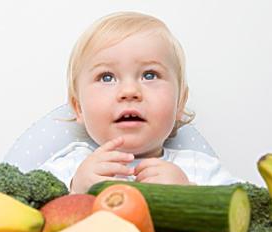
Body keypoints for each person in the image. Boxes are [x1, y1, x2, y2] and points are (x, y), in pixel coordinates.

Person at [40, 11, 240, 193]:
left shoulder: (199, 169)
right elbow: (24, 217)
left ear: (179, 103)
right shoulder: (68, 168)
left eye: (150, 75)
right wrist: (75, 190)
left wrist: (190, 193)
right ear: (78, 108)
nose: (129, 92)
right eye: (106, 77)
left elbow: (249, 215)